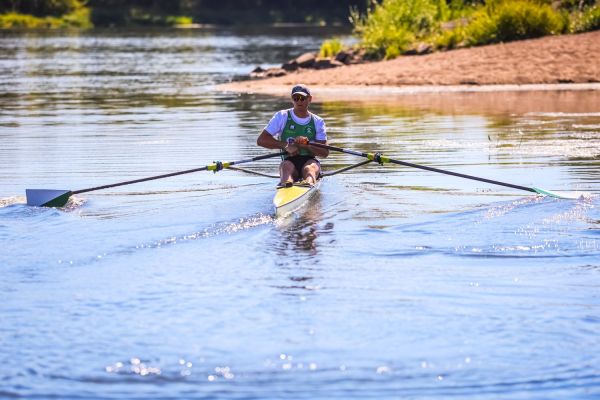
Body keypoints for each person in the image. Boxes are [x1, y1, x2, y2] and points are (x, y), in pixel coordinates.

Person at [257, 84, 329, 188]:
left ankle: (308, 183)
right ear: (292, 99)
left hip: (310, 160)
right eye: (296, 98)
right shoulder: (282, 116)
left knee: (310, 168)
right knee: (285, 166)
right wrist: (285, 145)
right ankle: (286, 184)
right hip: (289, 161)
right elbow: (261, 140)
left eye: (302, 98)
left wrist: (307, 145)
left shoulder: (318, 121)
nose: (299, 101)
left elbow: (325, 152)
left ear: (309, 99)